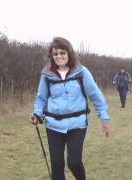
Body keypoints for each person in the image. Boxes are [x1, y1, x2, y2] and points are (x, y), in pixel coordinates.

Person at [30, 37, 110, 180]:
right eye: (55, 54)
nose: (59, 56)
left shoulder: (81, 72)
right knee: (56, 164)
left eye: (62, 52)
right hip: (53, 125)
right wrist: (37, 113)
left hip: (77, 124)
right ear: (51, 56)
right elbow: (41, 98)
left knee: (73, 162)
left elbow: (95, 94)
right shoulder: (47, 75)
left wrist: (104, 117)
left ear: (69, 53)